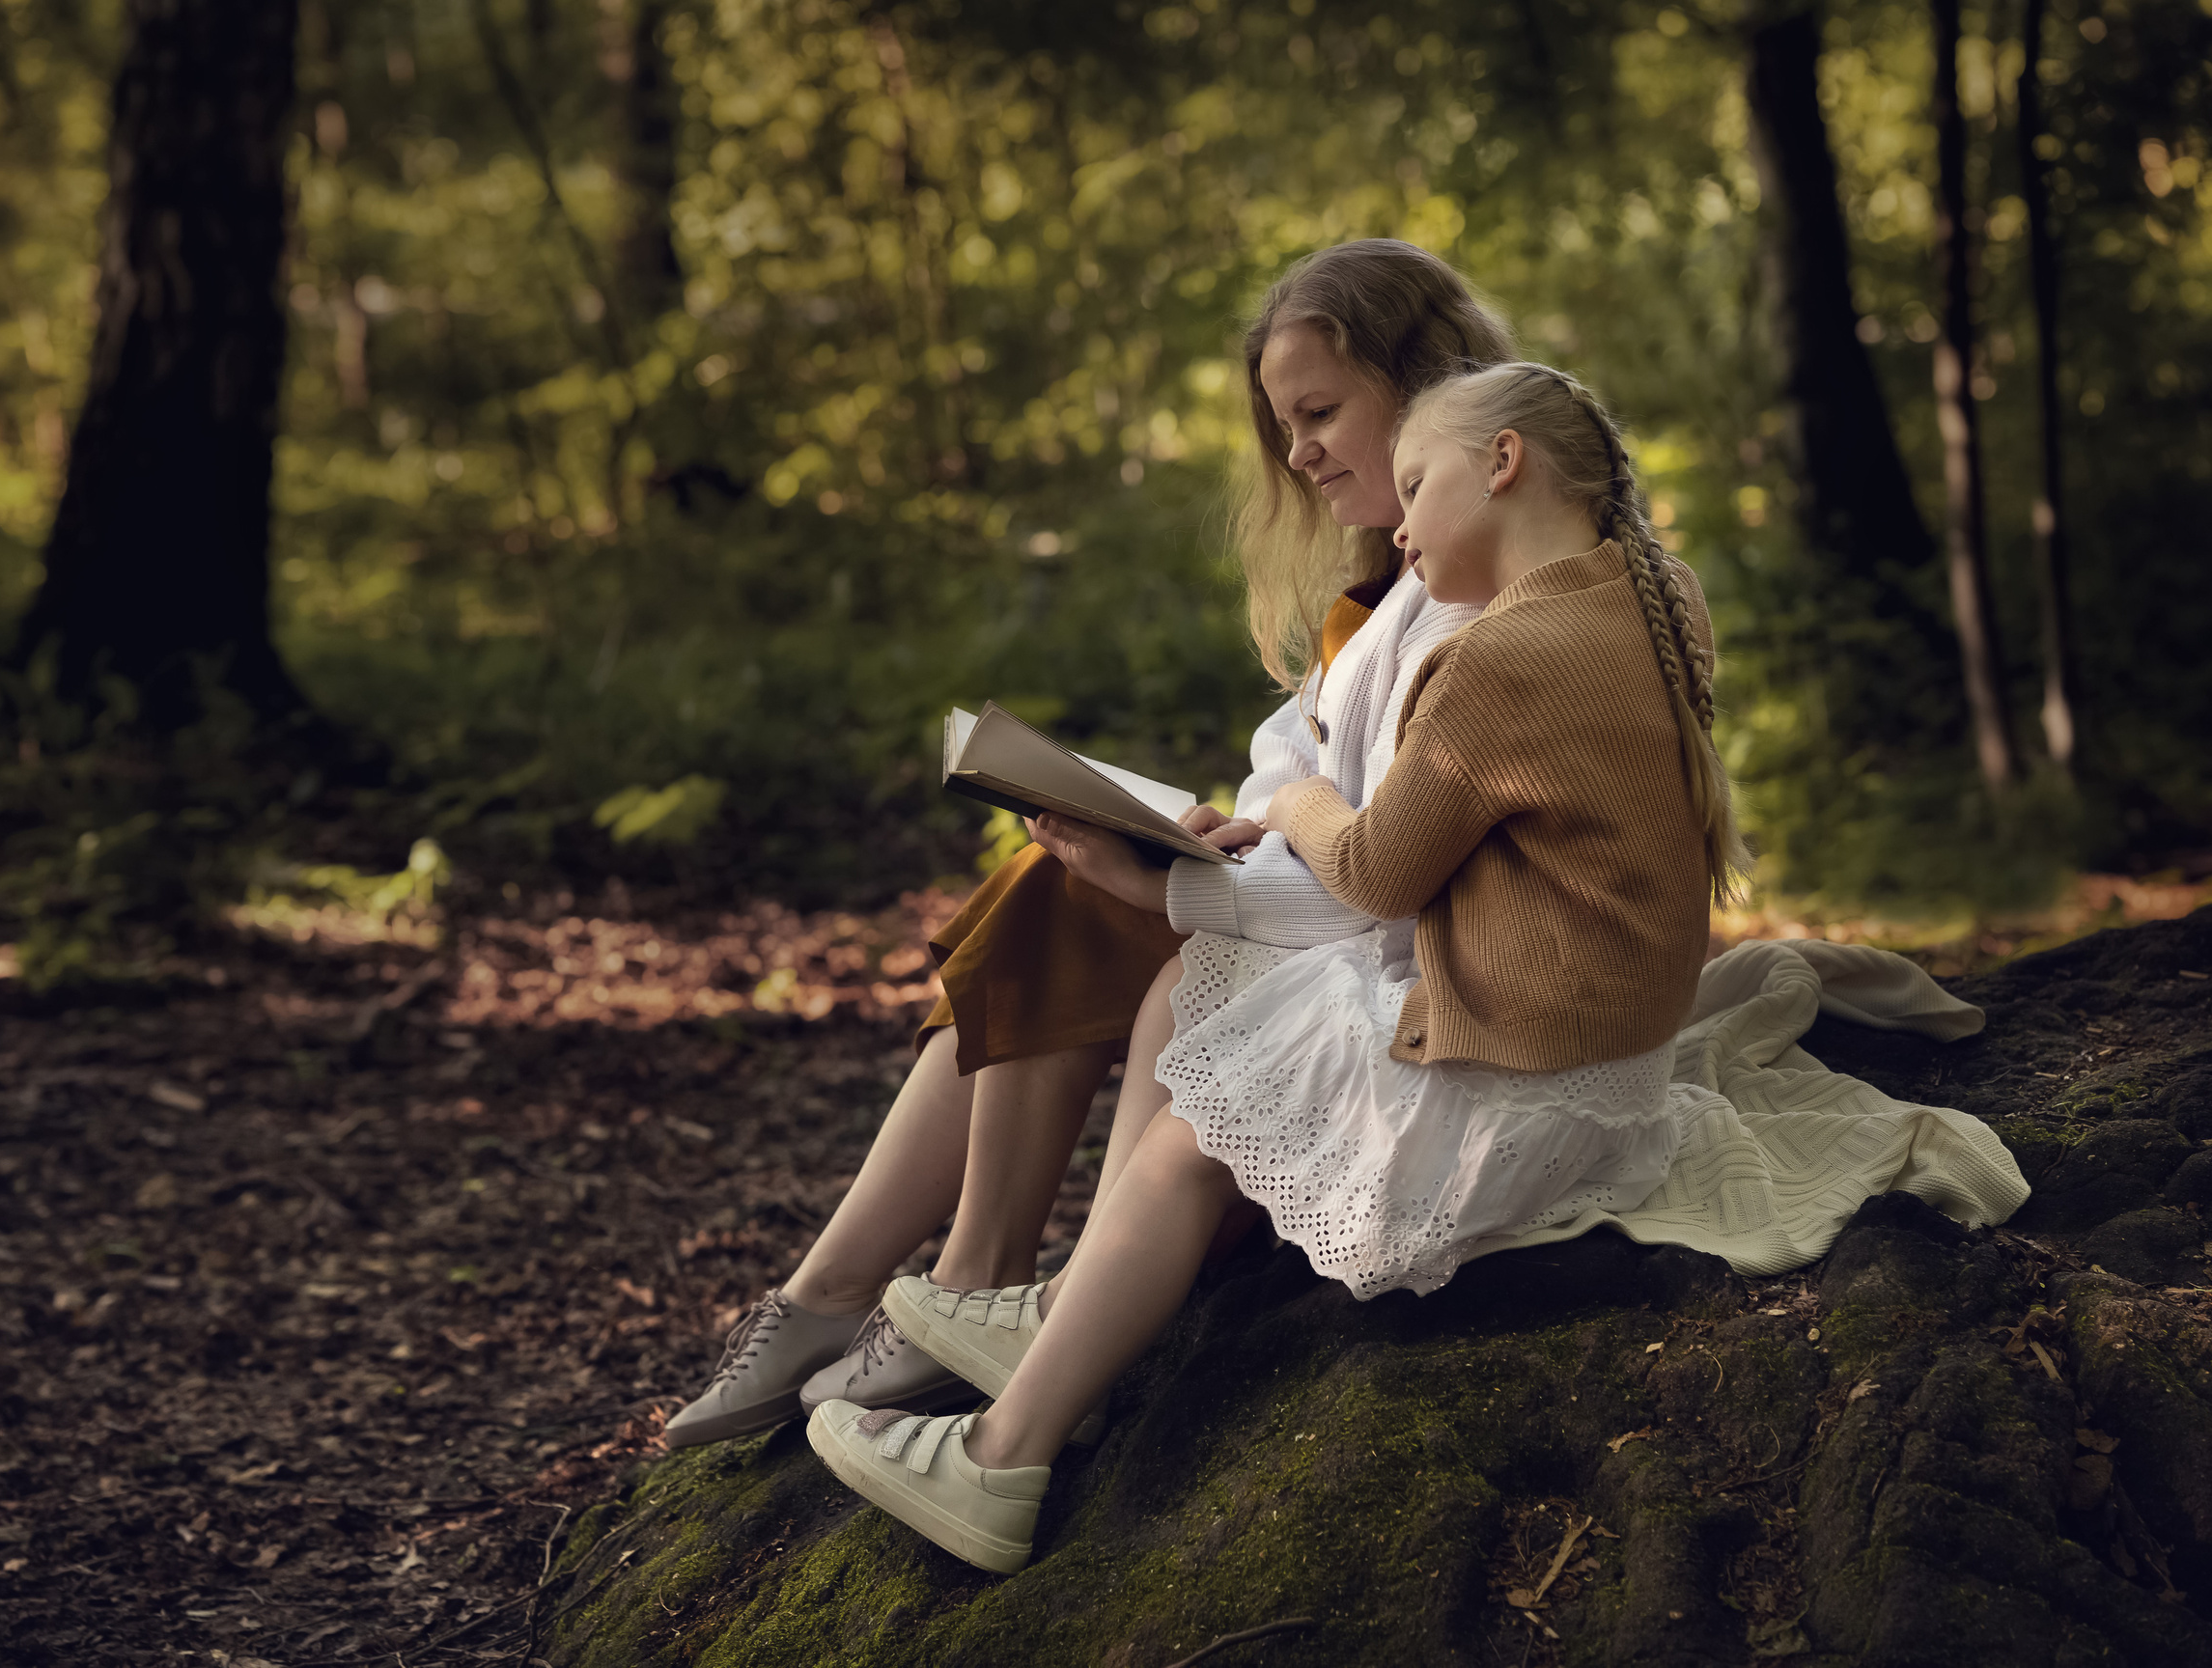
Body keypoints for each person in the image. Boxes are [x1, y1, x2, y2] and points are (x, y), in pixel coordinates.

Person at [804, 360, 1748, 1574]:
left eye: (1417, 484)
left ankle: (999, 1460)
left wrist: (1294, 796)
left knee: (1190, 1131)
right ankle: (1071, 1315)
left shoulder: (1502, 659)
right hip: (1600, 1067)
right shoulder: (1652, 593)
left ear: (1503, 463)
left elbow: (1372, 874)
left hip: (1525, 1093)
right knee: (1209, 991)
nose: (1397, 524)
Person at [662, 239, 1519, 1450]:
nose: (1298, 453)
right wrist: (1205, 831)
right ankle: (878, 1286)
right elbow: (1299, 773)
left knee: (1076, 898)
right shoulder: (1381, 587)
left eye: (1321, 412)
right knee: (1055, 880)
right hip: (1323, 910)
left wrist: (1221, 860)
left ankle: (908, 1289)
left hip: (1400, 971)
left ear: (1426, 384)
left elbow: (1384, 859)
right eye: (1284, 425)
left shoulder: (1483, 595)